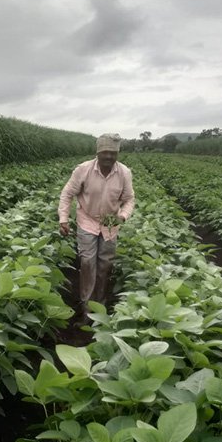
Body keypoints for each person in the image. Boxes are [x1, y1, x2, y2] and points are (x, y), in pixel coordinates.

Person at [59, 134, 136, 320]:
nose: (109, 157)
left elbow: (129, 199)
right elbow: (67, 193)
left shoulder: (124, 173)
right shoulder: (83, 170)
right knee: (87, 262)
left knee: (105, 265)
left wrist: (123, 217)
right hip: (87, 220)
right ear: (98, 152)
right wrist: (63, 218)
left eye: (113, 153)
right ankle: (86, 307)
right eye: (105, 153)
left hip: (110, 224)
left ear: (117, 153)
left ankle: (100, 303)